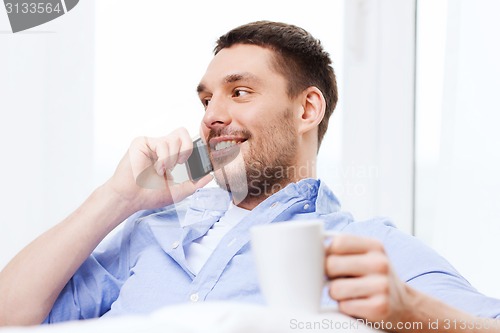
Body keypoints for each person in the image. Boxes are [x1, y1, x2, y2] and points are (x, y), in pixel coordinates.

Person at [0, 21, 499, 331]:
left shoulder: (362, 248)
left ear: (307, 109)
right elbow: (10, 316)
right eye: (206, 98)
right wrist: (117, 199)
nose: (212, 114)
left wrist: (407, 309)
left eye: (239, 92)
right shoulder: (151, 234)